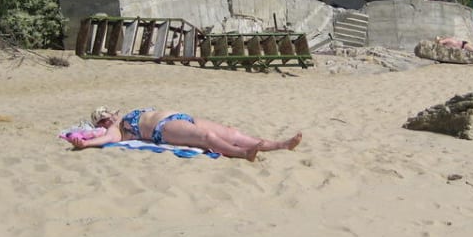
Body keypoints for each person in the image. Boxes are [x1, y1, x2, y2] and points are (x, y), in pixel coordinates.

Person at [69, 107, 302, 161]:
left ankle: (281, 145)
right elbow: (107, 140)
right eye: (102, 119)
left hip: (180, 117)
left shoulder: (123, 115)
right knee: (207, 139)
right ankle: (243, 154)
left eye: (106, 113)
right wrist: (86, 144)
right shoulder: (117, 130)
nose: (107, 118)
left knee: (231, 132)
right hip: (164, 129)